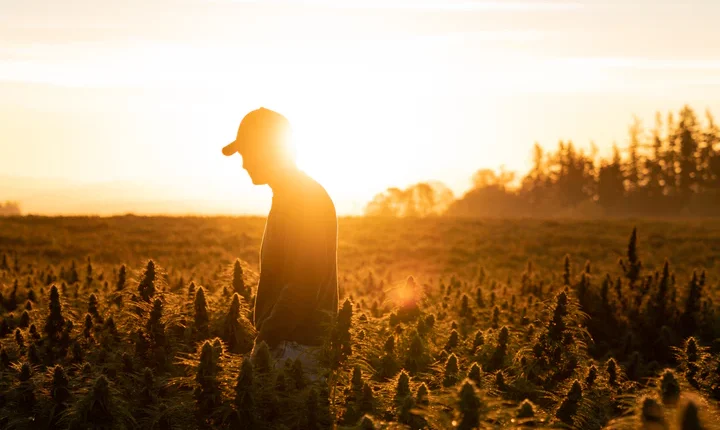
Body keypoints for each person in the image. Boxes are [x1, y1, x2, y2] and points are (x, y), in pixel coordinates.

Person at [222, 107, 338, 383]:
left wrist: (269, 335)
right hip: (293, 342)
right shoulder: (291, 194)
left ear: (266, 150)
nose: (244, 164)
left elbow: (304, 279)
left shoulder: (301, 198)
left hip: (296, 346)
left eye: (247, 153)